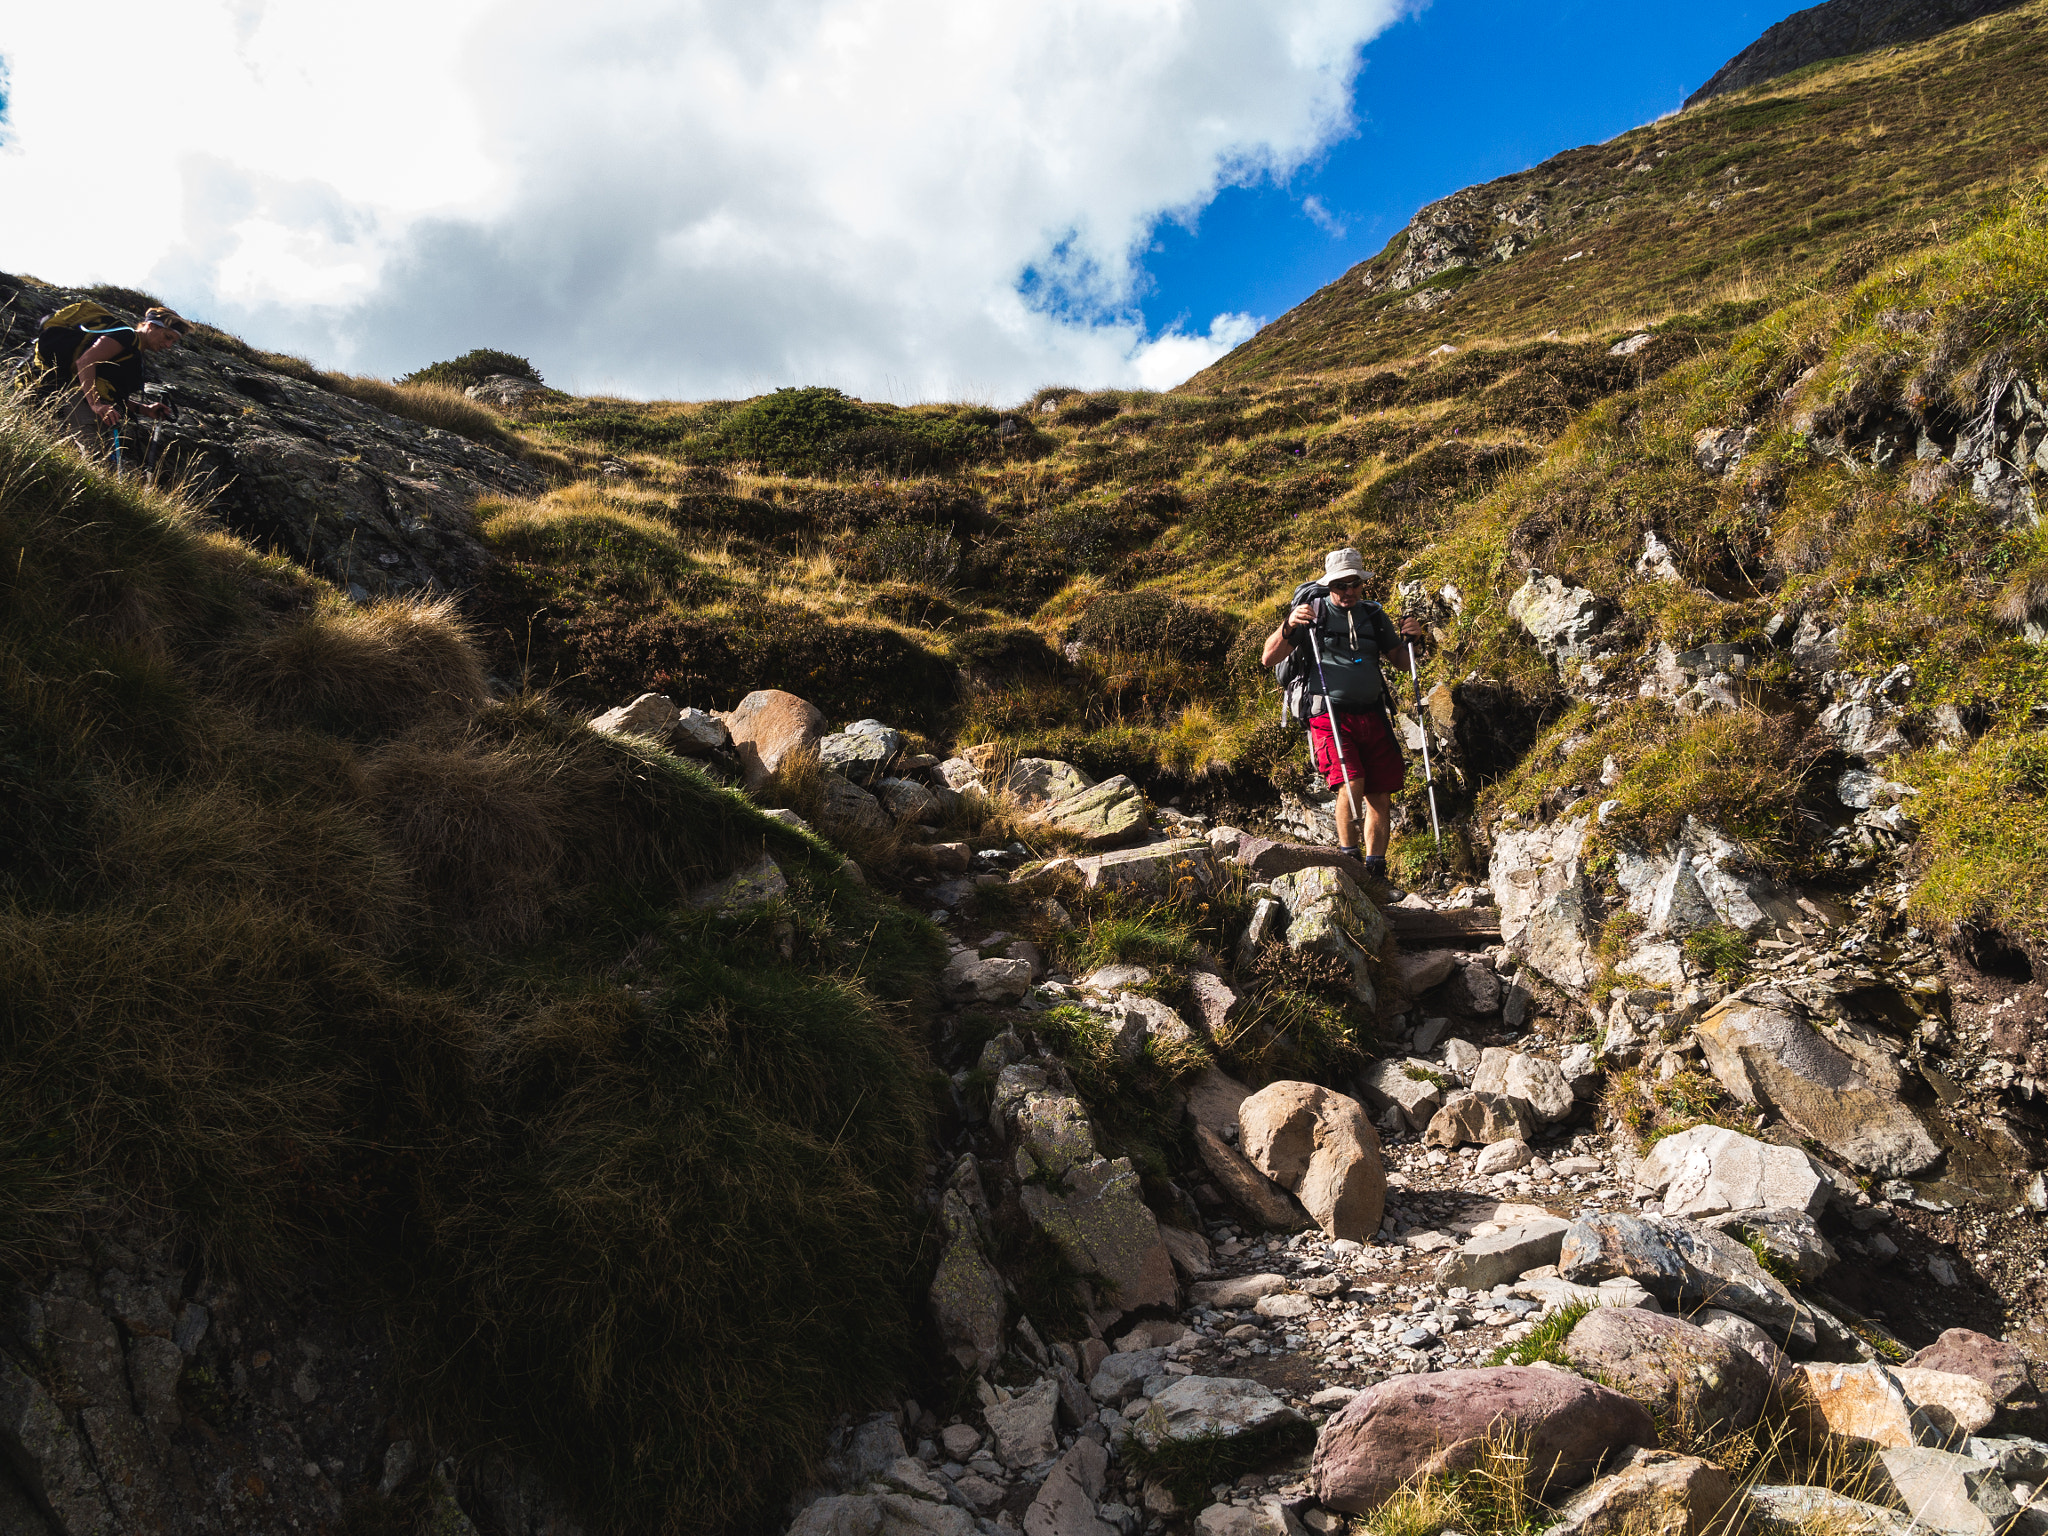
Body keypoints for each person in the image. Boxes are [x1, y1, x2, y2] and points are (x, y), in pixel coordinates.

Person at [1259, 546, 1426, 882]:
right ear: (1329, 585)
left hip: (1373, 713)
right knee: (1351, 785)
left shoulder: (1373, 615)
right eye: (1340, 585)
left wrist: (1414, 642)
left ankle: (1375, 871)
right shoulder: (1311, 614)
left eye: (1354, 584)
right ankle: (1350, 866)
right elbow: (1268, 658)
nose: (1348, 591)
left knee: (1380, 793)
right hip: (1327, 714)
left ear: (1361, 583)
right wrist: (1288, 626)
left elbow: (1402, 662)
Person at [34, 304, 189, 462]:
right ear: (151, 325)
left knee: (102, 464)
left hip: (97, 411)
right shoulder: (126, 336)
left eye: (173, 342)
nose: (168, 345)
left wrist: (144, 409)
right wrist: (96, 404)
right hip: (81, 403)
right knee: (97, 461)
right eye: (167, 337)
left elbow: (111, 393)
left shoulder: (136, 351)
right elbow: (86, 361)